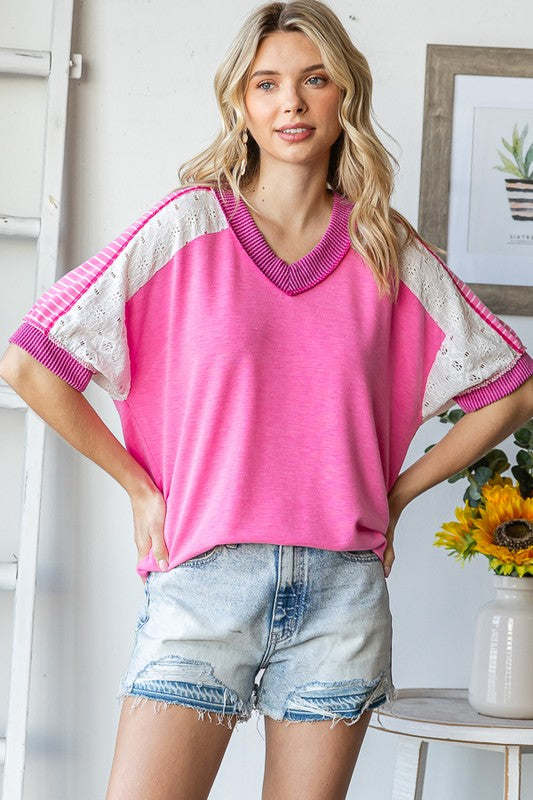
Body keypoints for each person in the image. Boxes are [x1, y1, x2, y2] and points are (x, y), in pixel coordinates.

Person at [1, 1, 532, 797]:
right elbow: (31, 361)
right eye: (267, 84)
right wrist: (139, 488)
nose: (291, 103)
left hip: (341, 596)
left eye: (314, 80)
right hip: (202, 581)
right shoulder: (185, 229)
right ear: (240, 103)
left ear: (344, 94)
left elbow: (510, 388)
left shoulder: (385, 248)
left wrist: (396, 495)